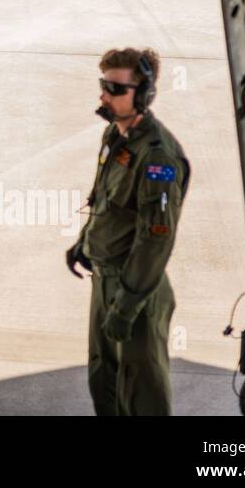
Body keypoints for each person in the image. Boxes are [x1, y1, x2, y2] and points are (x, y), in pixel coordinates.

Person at [65, 47, 190, 416]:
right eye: (104, 86)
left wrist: (128, 305)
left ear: (144, 95)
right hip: (104, 283)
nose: (104, 95)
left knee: (141, 399)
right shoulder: (114, 138)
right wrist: (85, 242)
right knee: (103, 385)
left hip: (136, 291)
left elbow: (156, 239)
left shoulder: (158, 158)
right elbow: (105, 200)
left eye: (115, 89)